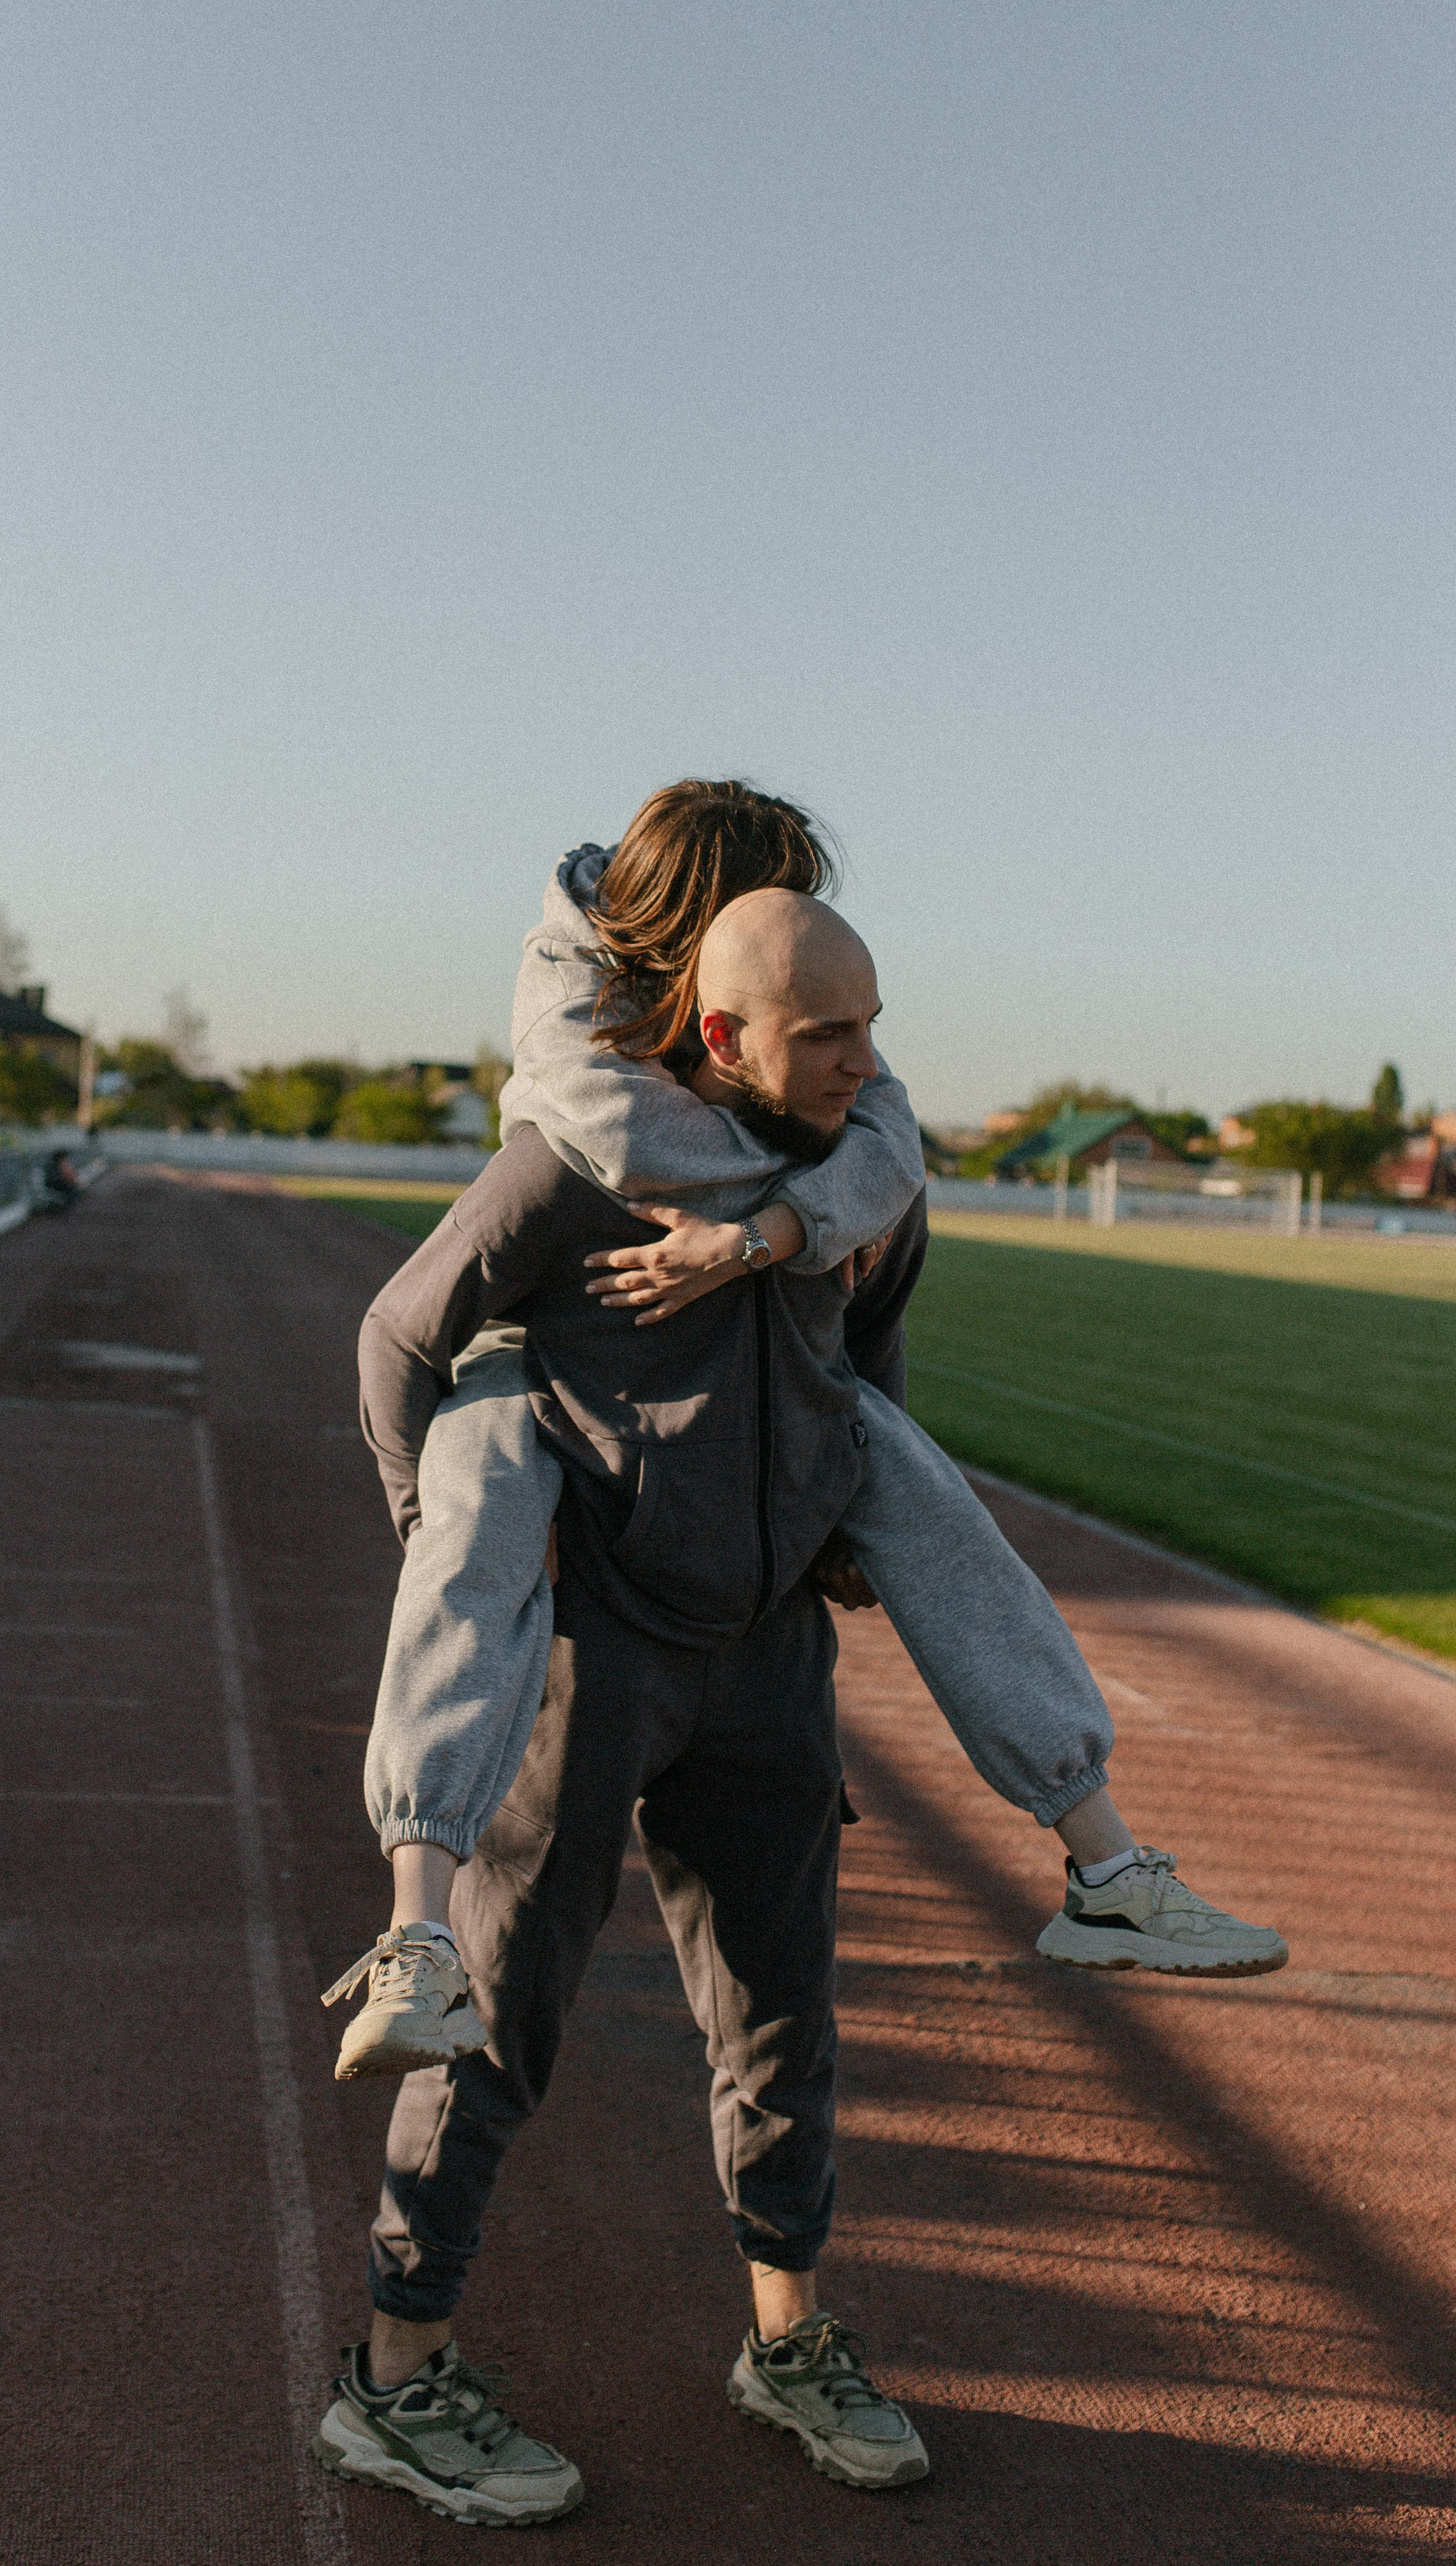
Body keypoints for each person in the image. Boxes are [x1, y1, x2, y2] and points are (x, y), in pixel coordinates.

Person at [313, 878, 1275, 2523]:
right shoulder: (574, 1164)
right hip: (588, 1660)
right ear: (719, 1033)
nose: (860, 1060)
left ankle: (787, 2340)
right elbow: (401, 1337)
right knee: (493, 2023)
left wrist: (835, 1504)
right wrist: (457, 1543)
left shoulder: (861, 1185)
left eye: (872, 1023)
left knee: (779, 2023)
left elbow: (866, 1351)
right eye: (824, 1032)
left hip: (765, 1662)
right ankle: (395, 2378)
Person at [338, 785, 1282, 2090]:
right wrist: (418, 1520)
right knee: (479, 1500)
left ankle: (1107, 1865)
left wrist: (777, 1260)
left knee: (924, 1493)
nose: (846, 1030)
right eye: (780, 914)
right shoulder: (579, 1115)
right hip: (565, 1465)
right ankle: (415, 1935)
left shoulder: (834, 1106)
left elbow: (878, 1235)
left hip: (761, 1573)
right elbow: (405, 1330)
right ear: (704, 973)